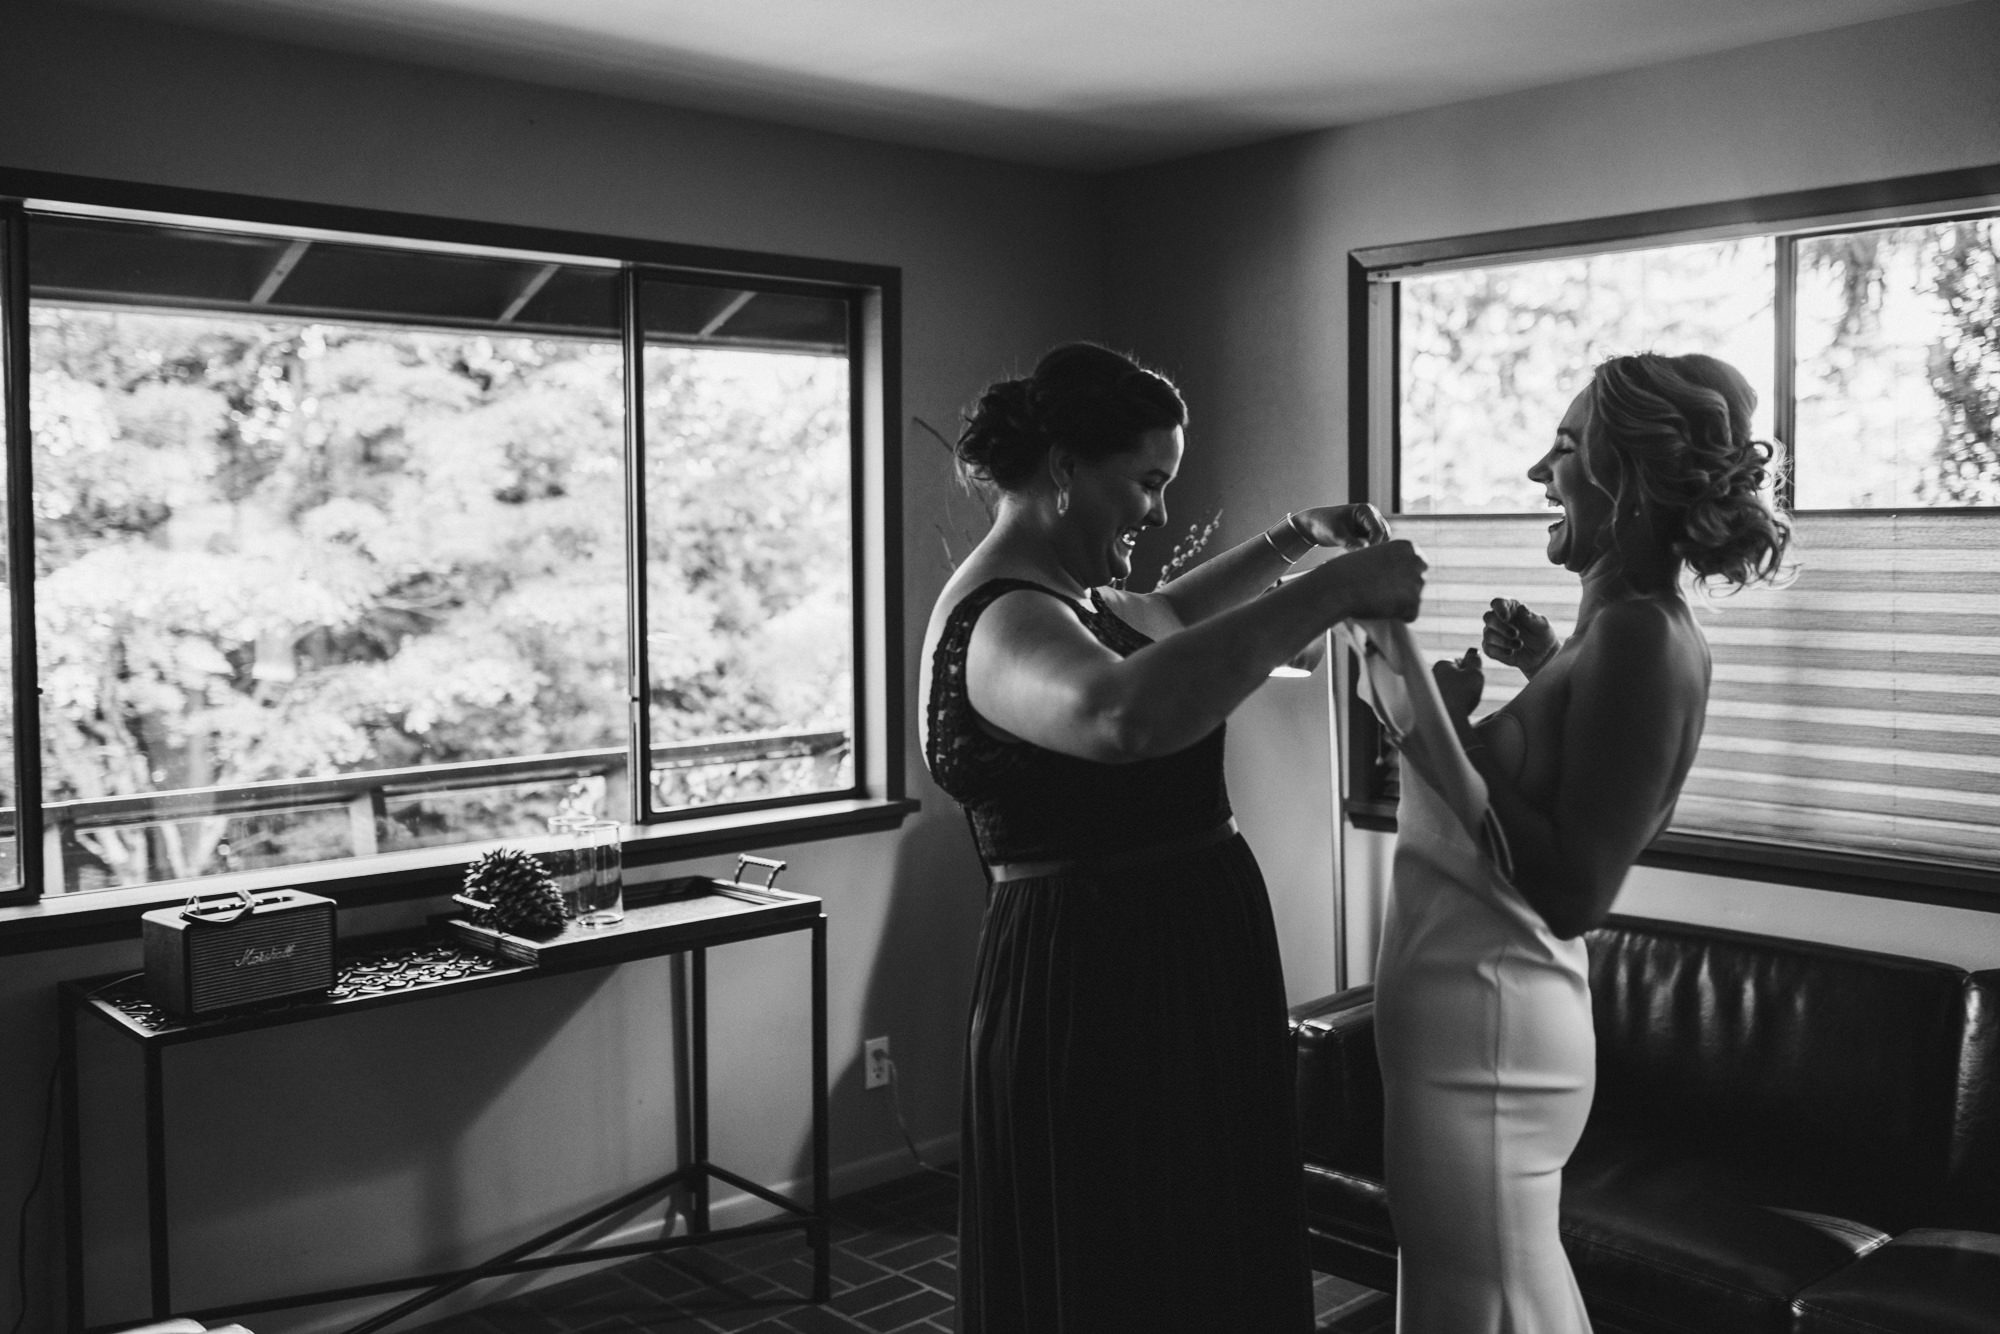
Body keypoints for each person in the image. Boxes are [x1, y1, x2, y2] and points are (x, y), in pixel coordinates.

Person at [918, 341, 1427, 1333]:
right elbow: (1122, 715)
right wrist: (1330, 591)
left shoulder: (1072, 599)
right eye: (1146, 482)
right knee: (1126, 1255)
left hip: (1169, 962)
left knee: (1195, 1239)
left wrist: (1292, 539)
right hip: (1095, 980)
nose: (1156, 511)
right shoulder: (1002, 618)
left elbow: (1167, 616)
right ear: (1065, 468)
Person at [1360, 352, 1792, 1333]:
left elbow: (1572, 888)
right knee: (1487, 1292)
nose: (1533, 475)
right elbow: (1567, 779)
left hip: (1493, 1023)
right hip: (1472, 1012)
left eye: (1559, 447)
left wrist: (1431, 721)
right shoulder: (1609, 633)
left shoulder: (1642, 634)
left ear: (1624, 471)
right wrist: (1538, 669)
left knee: (1480, 1301)